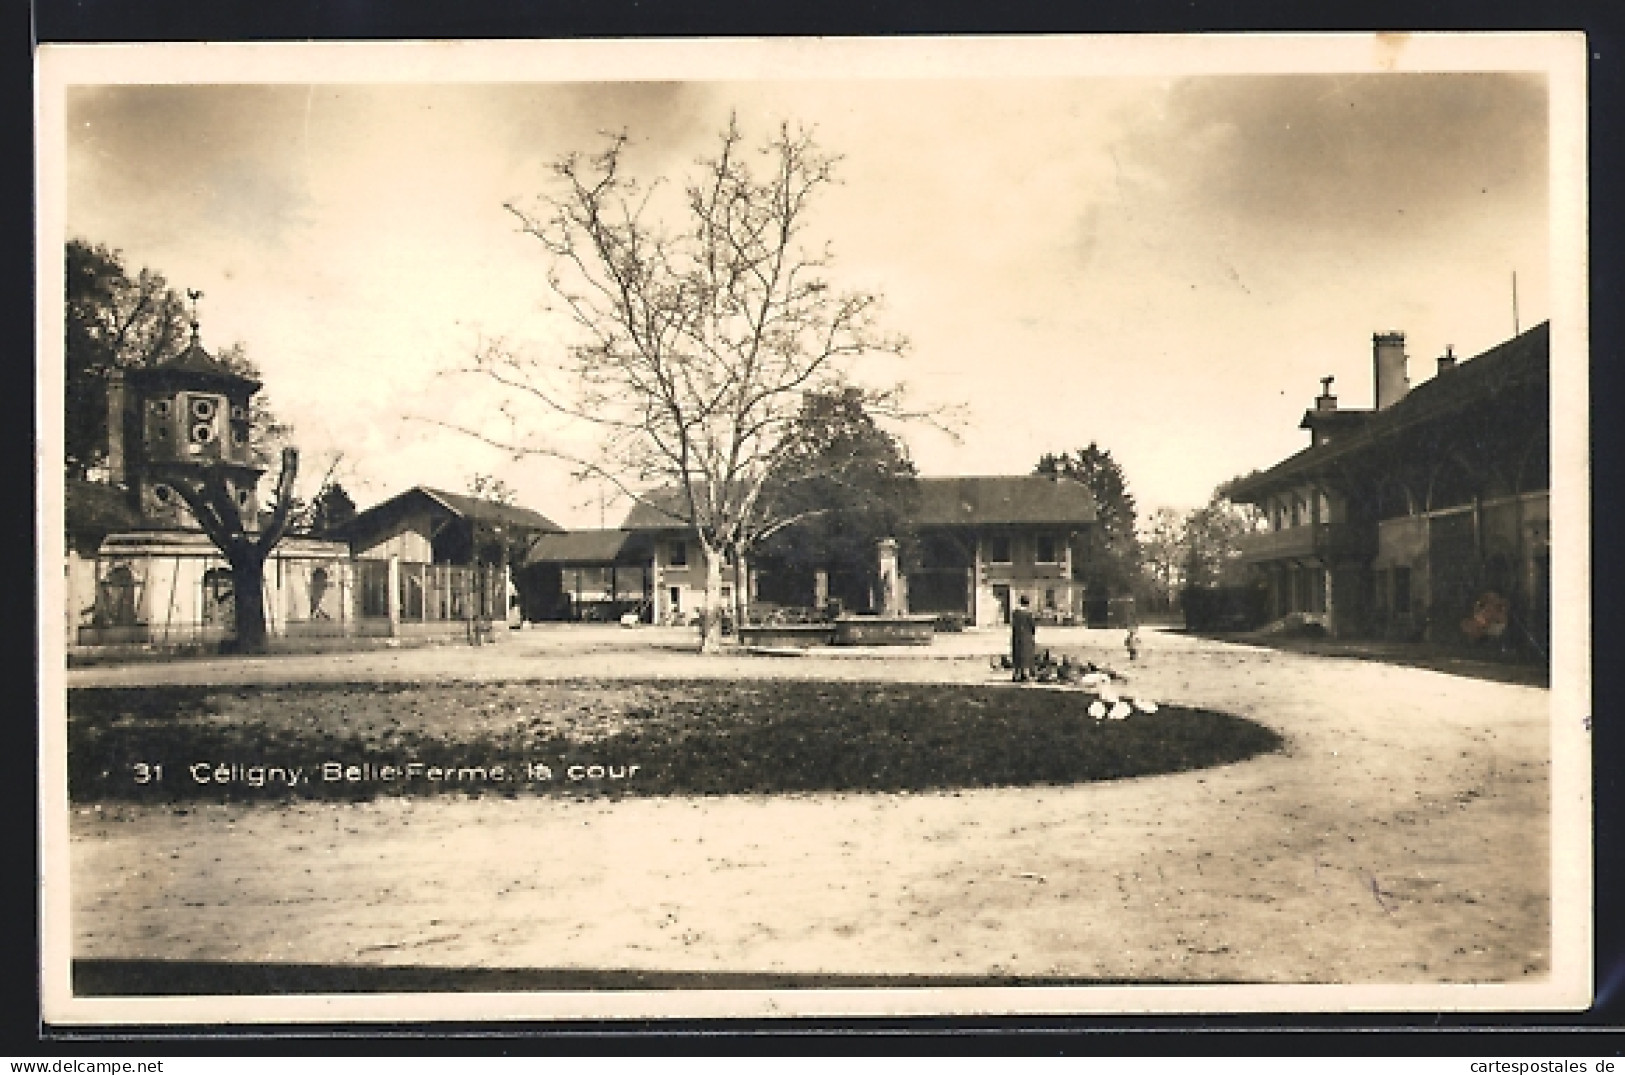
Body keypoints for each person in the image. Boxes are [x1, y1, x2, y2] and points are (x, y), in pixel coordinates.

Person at [1010, 594, 1037, 682]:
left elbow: (1013, 625)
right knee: (1026, 656)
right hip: (1026, 637)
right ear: (1027, 603)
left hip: (1016, 636)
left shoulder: (1015, 613)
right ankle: (1024, 674)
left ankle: (1015, 674)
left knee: (1017, 655)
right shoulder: (1028, 614)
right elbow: (1032, 626)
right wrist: (1032, 633)